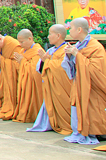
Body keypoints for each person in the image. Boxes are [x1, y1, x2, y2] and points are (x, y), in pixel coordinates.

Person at [62, 17, 106, 146]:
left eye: (71, 28)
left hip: (92, 86)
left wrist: (77, 55)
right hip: (80, 84)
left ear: (79, 29)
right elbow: (71, 67)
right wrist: (69, 55)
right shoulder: (79, 45)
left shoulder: (95, 46)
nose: (69, 30)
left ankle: (96, 132)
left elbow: (96, 70)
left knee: (93, 109)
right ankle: (80, 131)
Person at [28, 24, 72, 135]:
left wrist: (47, 61)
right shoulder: (51, 50)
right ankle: (53, 123)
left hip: (63, 86)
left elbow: (64, 68)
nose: (48, 37)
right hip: (51, 85)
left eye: (50, 34)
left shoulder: (66, 49)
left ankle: (66, 124)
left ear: (58, 35)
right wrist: (44, 61)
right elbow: (39, 68)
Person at [12, 29, 43, 124]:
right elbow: (19, 67)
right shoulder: (23, 51)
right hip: (24, 81)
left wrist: (22, 61)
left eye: (22, 42)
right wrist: (20, 62)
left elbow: (35, 71)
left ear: (30, 39)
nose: (20, 44)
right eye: (19, 42)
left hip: (33, 84)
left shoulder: (37, 52)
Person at [0, 32, 23, 121]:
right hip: (7, 75)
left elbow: (18, 64)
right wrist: (0, 60)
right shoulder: (2, 46)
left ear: (0, 39)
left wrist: (2, 60)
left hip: (15, 76)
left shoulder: (13, 45)